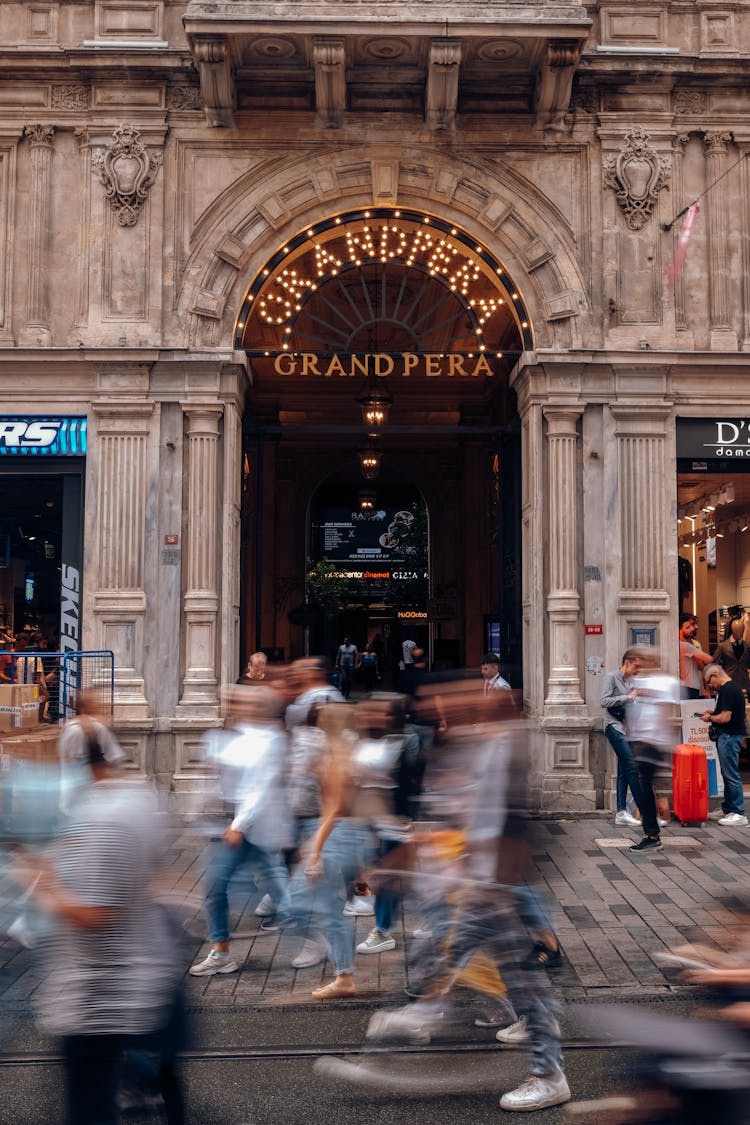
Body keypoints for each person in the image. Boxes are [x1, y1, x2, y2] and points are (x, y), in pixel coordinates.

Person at [10, 729, 185, 1125]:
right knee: (155, 1083)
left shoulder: (98, 823)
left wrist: (40, 883)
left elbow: (93, 915)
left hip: (99, 997)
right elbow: (153, 873)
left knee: (91, 1107)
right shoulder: (143, 799)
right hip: (152, 975)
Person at [189, 685, 292, 976]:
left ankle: (311, 926)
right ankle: (221, 951)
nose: (235, 706)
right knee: (262, 884)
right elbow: (216, 777)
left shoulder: (270, 739)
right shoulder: (233, 735)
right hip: (237, 824)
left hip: (250, 826)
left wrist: (238, 825)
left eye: (244, 702)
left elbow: (258, 787)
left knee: (219, 884)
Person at [626, 649, 681, 853]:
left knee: (642, 787)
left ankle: (653, 835)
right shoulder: (641, 682)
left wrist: (662, 741)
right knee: (642, 787)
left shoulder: (667, 682)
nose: (639, 666)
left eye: (642, 661)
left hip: (654, 743)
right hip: (642, 741)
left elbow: (667, 713)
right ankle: (652, 832)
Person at [600, 649, 645, 827]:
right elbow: (603, 701)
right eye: (636, 666)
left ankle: (621, 812)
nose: (637, 671)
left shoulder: (629, 682)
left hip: (627, 729)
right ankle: (643, 809)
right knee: (631, 766)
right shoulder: (611, 677)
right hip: (613, 727)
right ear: (626, 663)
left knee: (623, 770)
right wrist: (628, 697)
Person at [700, 664, 748, 826]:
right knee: (727, 773)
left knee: (731, 774)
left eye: (708, 682)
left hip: (729, 735)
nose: (710, 687)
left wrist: (710, 718)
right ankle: (729, 808)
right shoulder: (731, 688)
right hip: (729, 735)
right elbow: (725, 712)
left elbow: (725, 718)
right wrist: (713, 712)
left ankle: (738, 812)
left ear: (714, 675)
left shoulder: (727, 690)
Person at [712, 617, 750, 697]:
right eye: (737, 630)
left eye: (741, 630)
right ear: (732, 630)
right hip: (728, 682)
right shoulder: (723, 646)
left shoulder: (747, 646)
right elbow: (713, 664)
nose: (739, 632)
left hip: (744, 684)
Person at [679, 612, 712, 699]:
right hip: (689, 686)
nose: (694, 628)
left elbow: (701, 667)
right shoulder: (685, 645)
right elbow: (708, 659)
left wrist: (707, 689)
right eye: (689, 627)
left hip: (693, 686)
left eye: (693, 625)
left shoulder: (694, 644)